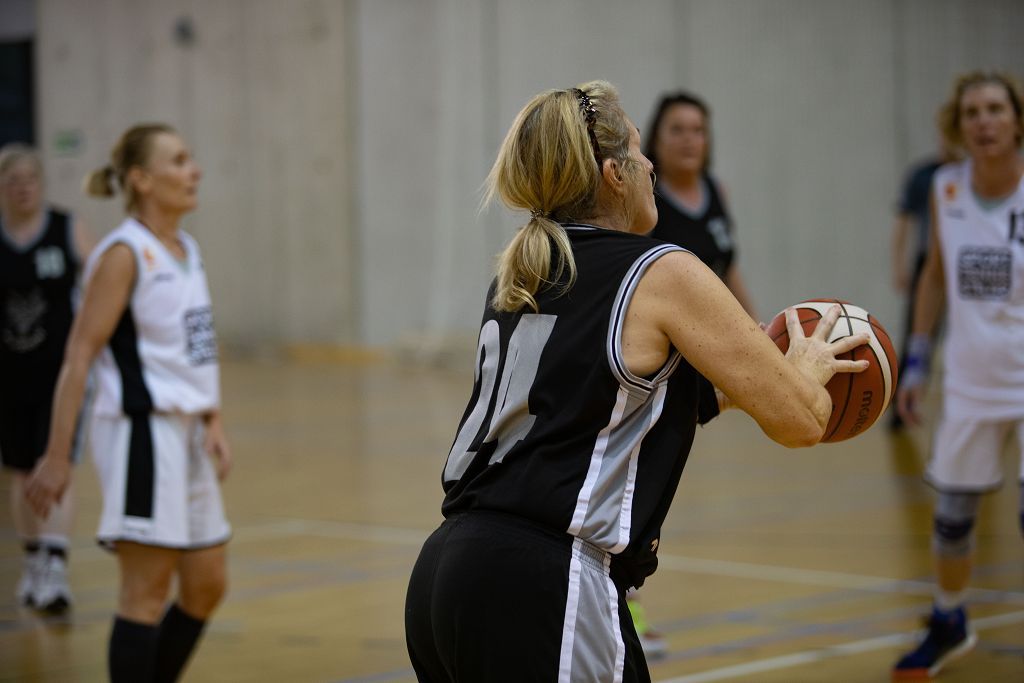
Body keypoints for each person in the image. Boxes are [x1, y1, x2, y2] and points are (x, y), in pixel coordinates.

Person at [404, 80, 869, 683]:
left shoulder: (525, 270)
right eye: (639, 150)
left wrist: (746, 372)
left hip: (446, 574)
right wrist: (804, 368)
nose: (651, 165)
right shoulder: (663, 269)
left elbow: (616, 402)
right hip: (545, 581)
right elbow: (802, 421)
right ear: (614, 175)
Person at [25, 124, 232, 683]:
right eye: (180, 160)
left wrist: (212, 419)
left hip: (187, 432)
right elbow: (78, 355)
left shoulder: (187, 248)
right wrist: (57, 454)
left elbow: (194, 348)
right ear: (141, 179)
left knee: (208, 583)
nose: (196, 171)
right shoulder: (123, 253)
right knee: (145, 593)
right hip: (143, 433)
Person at [893, 71, 1024, 680]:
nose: (984, 121)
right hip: (970, 378)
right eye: (972, 111)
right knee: (951, 519)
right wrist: (917, 361)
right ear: (958, 123)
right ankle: (949, 620)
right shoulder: (946, 188)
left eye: (996, 108)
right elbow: (935, 277)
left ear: (1016, 119)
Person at [626, 90, 759, 657]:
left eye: (698, 129)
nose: (688, 139)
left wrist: (758, 338)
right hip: (653, 362)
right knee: (634, 481)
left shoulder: (716, 193)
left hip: (704, 360)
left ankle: (620, 596)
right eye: (677, 129)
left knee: (653, 487)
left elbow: (729, 272)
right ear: (655, 141)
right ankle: (624, 606)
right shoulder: (645, 204)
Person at [0, 143, 94, 613]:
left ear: (40, 184)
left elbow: (101, 284)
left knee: (55, 465)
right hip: (8, 378)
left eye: (29, 180)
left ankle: (55, 566)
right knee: (20, 472)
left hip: (60, 376)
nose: (21, 189)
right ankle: (34, 560)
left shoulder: (66, 228)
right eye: (12, 181)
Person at [888, 140, 958, 431]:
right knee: (916, 334)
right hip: (928, 264)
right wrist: (899, 265)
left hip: (963, 270)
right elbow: (903, 222)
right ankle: (899, 406)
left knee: (950, 337)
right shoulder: (927, 176)